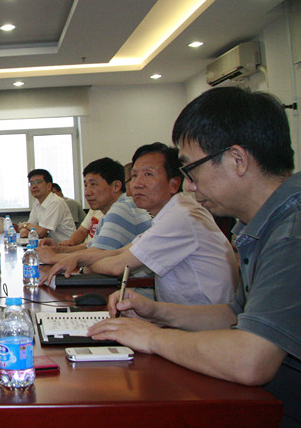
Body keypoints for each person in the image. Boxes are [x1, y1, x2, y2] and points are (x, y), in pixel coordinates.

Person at [90, 88, 300, 426]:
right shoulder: (263, 223)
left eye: (192, 169)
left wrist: (152, 337)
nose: (188, 186)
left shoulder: (292, 232)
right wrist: (156, 312)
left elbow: (251, 361)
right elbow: (234, 315)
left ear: (237, 159)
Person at [47, 143, 237, 305]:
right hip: (181, 315)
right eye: (135, 175)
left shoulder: (181, 216)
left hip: (202, 323)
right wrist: (78, 258)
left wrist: (81, 263)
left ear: (174, 183)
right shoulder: (169, 213)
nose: (137, 184)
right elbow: (118, 252)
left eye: (148, 174)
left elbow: (118, 265)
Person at [41, 157, 151, 260]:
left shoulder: (121, 210)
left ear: (116, 186)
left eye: (93, 184)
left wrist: (53, 257)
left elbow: (95, 255)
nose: (87, 193)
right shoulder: (116, 207)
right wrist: (58, 250)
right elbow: (91, 246)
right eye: (86, 185)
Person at [18, 169, 75, 243]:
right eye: (31, 183)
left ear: (49, 186)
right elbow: (30, 229)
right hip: (52, 245)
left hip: (68, 246)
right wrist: (24, 228)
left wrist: (24, 225)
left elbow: (41, 232)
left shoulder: (55, 202)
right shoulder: (37, 203)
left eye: (38, 182)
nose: (34, 186)